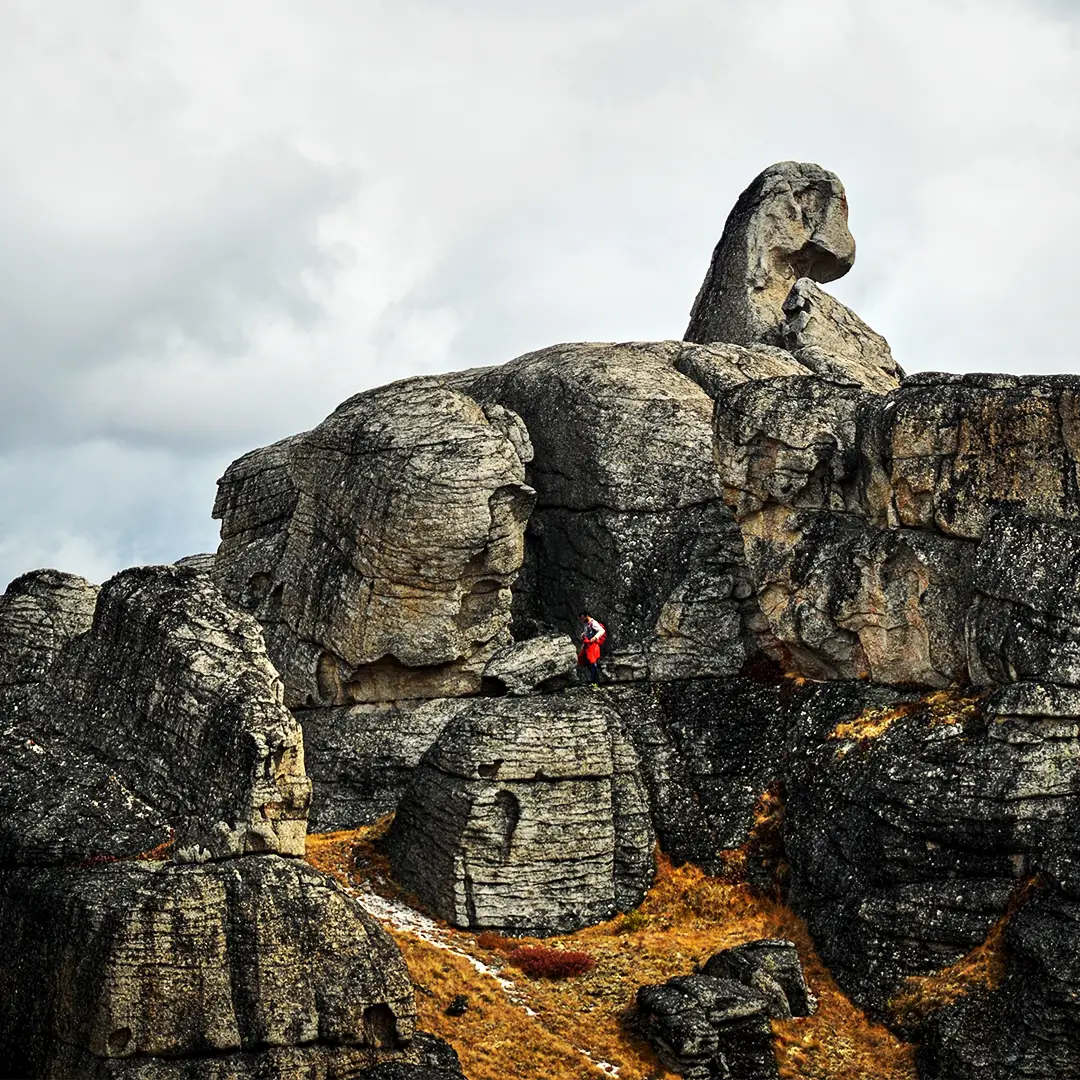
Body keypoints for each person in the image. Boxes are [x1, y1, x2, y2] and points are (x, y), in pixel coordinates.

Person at [577, 612, 607, 684]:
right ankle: (592, 678)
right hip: (587, 644)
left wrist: (595, 637)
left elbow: (602, 630)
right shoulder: (586, 623)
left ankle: (596, 681)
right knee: (582, 658)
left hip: (592, 645)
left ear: (586, 616)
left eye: (582, 618)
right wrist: (584, 634)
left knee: (592, 661)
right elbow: (588, 632)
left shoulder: (593, 623)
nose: (582, 620)